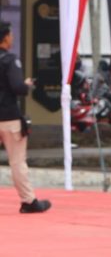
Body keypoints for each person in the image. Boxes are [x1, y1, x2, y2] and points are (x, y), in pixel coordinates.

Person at [0, 21, 50, 214]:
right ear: (5, 37)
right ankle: (28, 201)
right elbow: (17, 88)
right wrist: (27, 84)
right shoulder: (10, 60)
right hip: (9, 117)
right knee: (17, 161)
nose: (12, 38)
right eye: (10, 35)